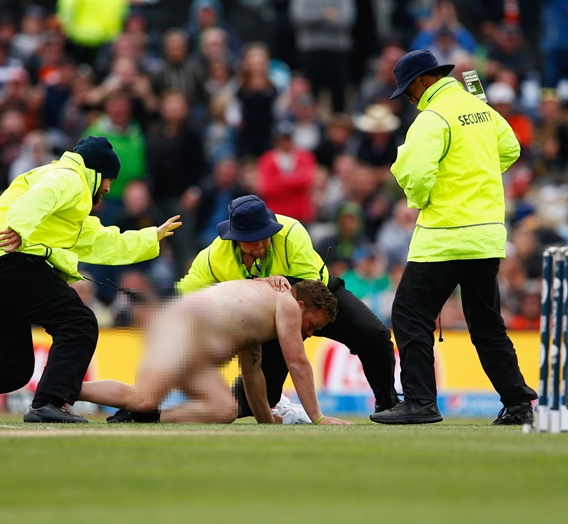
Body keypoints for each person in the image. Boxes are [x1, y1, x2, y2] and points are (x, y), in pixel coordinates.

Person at [0, 136, 182, 424]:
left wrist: (149, 238)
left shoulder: (65, 199)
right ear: (96, 173)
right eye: (108, 180)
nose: (108, 188)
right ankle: (49, 402)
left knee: (13, 368)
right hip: (4, 261)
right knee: (79, 321)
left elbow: (101, 241)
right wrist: (20, 227)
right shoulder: (70, 179)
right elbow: (41, 197)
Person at [105, 195, 397, 423]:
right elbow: (187, 293)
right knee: (261, 394)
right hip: (272, 319)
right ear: (234, 238)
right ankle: (146, 413)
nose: (258, 247)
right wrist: (153, 298)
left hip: (317, 301)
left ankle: (387, 404)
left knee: (375, 335)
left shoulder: (292, 233)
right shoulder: (213, 256)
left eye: (263, 239)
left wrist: (286, 283)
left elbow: (314, 282)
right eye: (250, 243)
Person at [370, 49, 537, 426]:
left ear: (422, 81)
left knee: (410, 315)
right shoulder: (479, 108)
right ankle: (519, 404)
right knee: (487, 324)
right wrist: (476, 174)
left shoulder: (433, 117)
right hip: (487, 237)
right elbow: (510, 148)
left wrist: (421, 199)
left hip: (444, 235)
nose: (409, 98)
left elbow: (414, 172)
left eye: (408, 90)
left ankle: (420, 402)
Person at [79, 278, 348, 425]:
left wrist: (267, 422)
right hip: (186, 329)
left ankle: (63, 388)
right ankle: (61, 388)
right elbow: (298, 364)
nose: (310, 333)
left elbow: (253, 375)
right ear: (302, 305)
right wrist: (318, 418)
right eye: (313, 324)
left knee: (148, 401)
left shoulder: (258, 313)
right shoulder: (287, 304)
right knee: (149, 400)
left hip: (178, 323)